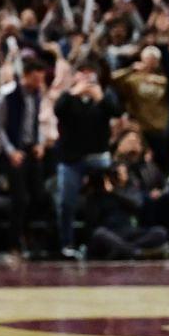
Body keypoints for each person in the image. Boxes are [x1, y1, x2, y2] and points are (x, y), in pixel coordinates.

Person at [53, 58, 121, 258]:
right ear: (75, 76)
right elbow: (58, 111)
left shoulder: (105, 95)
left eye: (90, 72)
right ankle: (67, 244)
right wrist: (75, 92)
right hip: (71, 158)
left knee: (101, 203)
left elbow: (115, 112)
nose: (86, 76)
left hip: (98, 156)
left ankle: (99, 243)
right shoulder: (68, 96)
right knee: (66, 202)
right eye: (82, 72)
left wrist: (99, 97)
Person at [0, 59, 47, 255]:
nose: (39, 82)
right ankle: (13, 242)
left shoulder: (37, 95)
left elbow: (36, 122)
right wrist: (11, 151)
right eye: (35, 78)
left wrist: (40, 143)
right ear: (25, 75)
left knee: (38, 195)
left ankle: (28, 234)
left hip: (30, 149)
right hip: (12, 151)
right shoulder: (6, 95)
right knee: (19, 198)